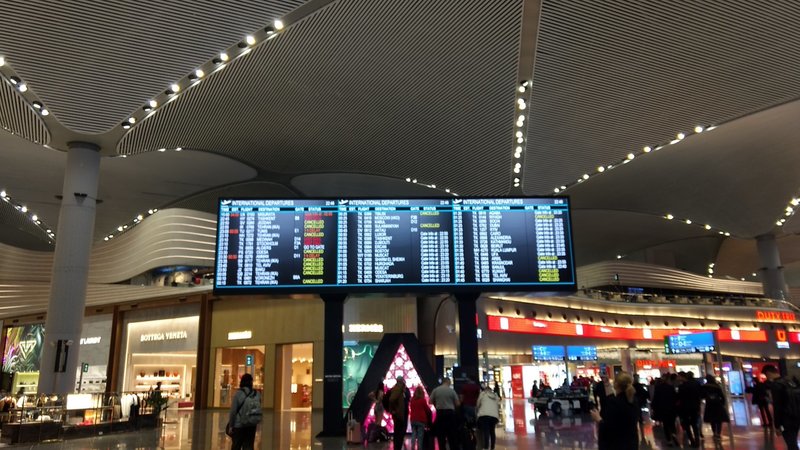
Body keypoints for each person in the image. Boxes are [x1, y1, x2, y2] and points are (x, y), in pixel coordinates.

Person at [590, 372, 639, 450]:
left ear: (616, 385)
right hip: (631, 443)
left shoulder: (614, 403)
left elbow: (609, 428)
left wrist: (598, 419)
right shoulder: (633, 401)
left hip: (617, 444)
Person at [763, 364, 800, 450]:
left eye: (766, 375)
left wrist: (777, 426)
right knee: (793, 441)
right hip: (796, 416)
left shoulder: (776, 385)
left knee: (791, 443)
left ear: (768, 373)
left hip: (786, 419)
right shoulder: (789, 381)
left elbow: (777, 406)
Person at [228, 373, 260, 450]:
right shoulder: (257, 394)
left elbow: (233, 412)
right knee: (249, 446)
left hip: (239, 425)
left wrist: (231, 426)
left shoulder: (238, 394)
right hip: (251, 424)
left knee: (236, 445)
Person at [429, 377, 460, 450]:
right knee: (451, 435)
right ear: (448, 382)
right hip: (450, 414)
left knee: (441, 435)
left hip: (440, 413)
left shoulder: (436, 390)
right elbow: (457, 404)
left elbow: (430, 401)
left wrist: (436, 404)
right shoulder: (451, 391)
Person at [651, 374, 678, 446]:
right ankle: (673, 433)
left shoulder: (658, 388)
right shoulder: (671, 388)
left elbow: (655, 399)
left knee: (666, 425)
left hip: (663, 409)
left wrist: (653, 407)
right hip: (671, 408)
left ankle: (669, 440)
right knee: (672, 423)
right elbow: (675, 398)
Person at [677, 372, 701, 447]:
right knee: (694, 424)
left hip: (685, 408)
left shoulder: (682, 386)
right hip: (695, 407)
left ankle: (692, 440)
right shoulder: (697, 384)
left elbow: (679, 397)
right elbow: (699, 395)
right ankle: (697, 441)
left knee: (686, 425)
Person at [701, 375, 729, 442]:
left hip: (709, 405)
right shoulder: (716, 386)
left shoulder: (705, 386)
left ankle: (714, 433)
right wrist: (722, 403)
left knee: (712, 420)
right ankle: (718, 433)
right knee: (719, 420)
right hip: (717, 404)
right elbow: (722, 396)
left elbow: (702, 395)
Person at [388, 376, 410, 450]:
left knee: (400, 431)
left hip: (402, 412)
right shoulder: (397, 389)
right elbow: (391, 399)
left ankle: (398, 446)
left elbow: (407, 398)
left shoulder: (405, 390)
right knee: (399, 431)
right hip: (399, 414)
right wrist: (394, 410)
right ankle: (397, 447)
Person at [476, 383, 500, 450]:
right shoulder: (495, 395)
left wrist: (477, 411)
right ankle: (492, 447)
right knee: (492, 431)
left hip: (484, 415)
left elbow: (478, 404)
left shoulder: (483, 394)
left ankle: (486, 447)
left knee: (486, 431)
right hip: (494, 416)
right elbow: (498, 404)